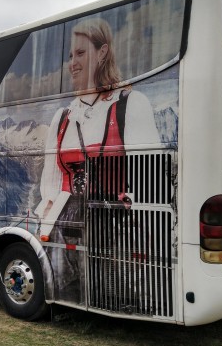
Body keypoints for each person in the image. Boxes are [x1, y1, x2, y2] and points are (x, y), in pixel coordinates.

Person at [35, 17, 160, 303]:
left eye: (80, 53)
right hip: (63, 233)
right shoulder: (62, 118)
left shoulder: (130, 105)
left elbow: (149, 180)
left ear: (102, 52)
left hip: (114, 232)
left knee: (115, 296)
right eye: (70, 56)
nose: (72, 63)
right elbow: (51, 187)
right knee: (67, 295)